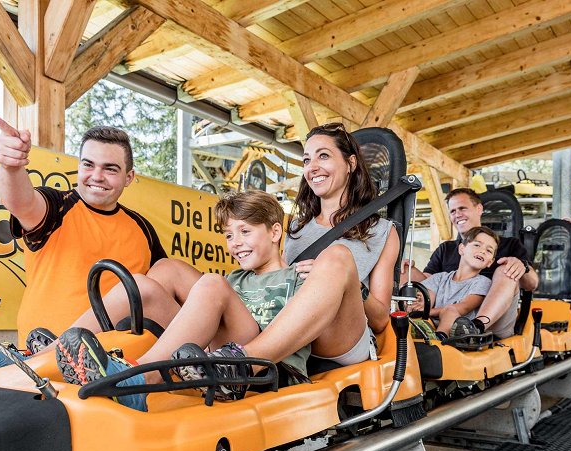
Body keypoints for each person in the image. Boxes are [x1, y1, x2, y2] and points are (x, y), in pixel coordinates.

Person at [58, 122, 400, 404]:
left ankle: (240, 365)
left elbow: (383, 317)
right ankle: (52, 354)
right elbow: (267, 273)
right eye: (307, 159)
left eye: (323, 156)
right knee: (165, 271)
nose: (312, 167)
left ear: (351, 164)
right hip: (273, 326)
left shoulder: (383, 231)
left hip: (340, 337)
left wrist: (347, 283)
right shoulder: (294, 228)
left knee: (337, 258)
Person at [0, 116, 166, 370]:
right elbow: (21, 203)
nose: (97, 176)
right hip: (40, 353)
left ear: (129, 177)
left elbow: (161, 292)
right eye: (88, 165)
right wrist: (11, 167)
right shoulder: (58, 205)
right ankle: (23, 361)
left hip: (112, 362)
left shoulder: (143, 228)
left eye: (110, 169)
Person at [55, 190, 312, 408]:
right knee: (162, 271)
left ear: (275, 232)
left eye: (245, 231)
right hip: (212, 358)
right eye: (229, 235)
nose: (235, 243)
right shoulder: (235, 279)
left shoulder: (300, 276)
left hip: (263, 370)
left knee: (211, 282)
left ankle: (141, 378)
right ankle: (45, 354)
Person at [403, 188, 538, 339]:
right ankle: (398, 323)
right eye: (453, 211)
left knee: (505, 269)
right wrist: (409, 270)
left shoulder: (509, 245)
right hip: (445, 315)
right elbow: (427, 283)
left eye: (462, 208)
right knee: (403, 270)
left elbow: (532, 284)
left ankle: (476, 327)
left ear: (479, 208)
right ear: (462, 249)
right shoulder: (445, 249)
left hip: (492, 320)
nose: (457, 214)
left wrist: (522, 266)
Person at [410, 227, 498, 339]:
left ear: (490, 262)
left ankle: (441, 338)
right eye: (477, 245)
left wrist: (427, 312)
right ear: (461, 248)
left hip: (457, 331)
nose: (483, 251)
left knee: (450, 310)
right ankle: (419, 332)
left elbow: (464, 307)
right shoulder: (439, 278)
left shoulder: (483, 282)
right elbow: (427, 299)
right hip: (430, 323)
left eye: (489, 250)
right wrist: (419, 307)